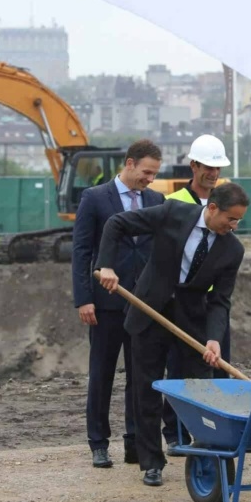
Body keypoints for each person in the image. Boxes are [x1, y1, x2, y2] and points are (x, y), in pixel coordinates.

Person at [96, 182, 250, 487]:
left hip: (191, 321)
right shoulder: (173, 213)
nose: (233, 226)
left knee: (200, 390)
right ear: (213, 208)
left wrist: (214, 338)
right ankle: (151, 462)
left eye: (238, 221)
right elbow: (116, 224)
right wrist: (107, 266)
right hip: (149, 311)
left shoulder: (233, 249)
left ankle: (206, 454)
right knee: (147, 389)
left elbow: (220, 300)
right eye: (230, 219)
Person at [71, 139, 163, 469]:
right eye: (146, 172)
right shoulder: (95, 198)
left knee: (140, 377)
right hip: (106, 304)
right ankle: (98, 442)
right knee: (102, 375)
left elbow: (156, 251)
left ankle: (134, 442)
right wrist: (84, 299)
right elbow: (81, 252)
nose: (149, 179)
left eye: (154, 174)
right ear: (129, 163)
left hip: (142, 304)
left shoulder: (155, 200)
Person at [164, 133, 232, 455]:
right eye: (207, 167)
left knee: (210, 366)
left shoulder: (224, 202)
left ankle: (209, 429)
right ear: (193, 165)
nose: (213, 174)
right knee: (176, 367)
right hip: (178, 297)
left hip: (208, 301)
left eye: (217, 168)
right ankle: (174, 431)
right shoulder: (175, 201)